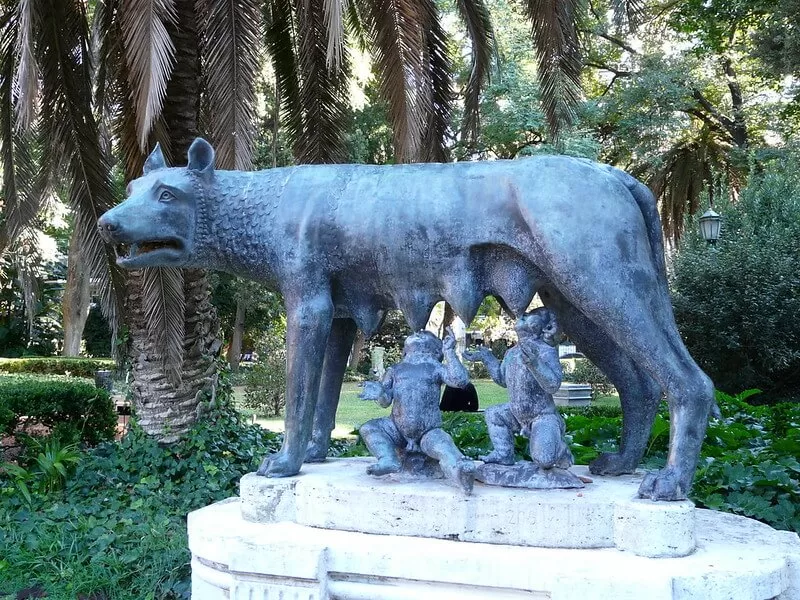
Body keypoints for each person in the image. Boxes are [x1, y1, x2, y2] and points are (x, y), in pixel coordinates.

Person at [359, 329, 476, 493]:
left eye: (426, 334)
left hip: (428, 432)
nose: (420, 332)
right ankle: (388, 459)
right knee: (369, 428)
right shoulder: (395, 369)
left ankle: (460, 472)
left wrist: (449, 351)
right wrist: (379, 393)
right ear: (405, 349)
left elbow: (460, 380)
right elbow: (385, 401)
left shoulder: (435, 367)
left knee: (444, 447)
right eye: (416, 334)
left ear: (436, 350)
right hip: (396, 429)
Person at [463, 308, 573, 470]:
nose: (524, 315)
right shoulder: (512, 352)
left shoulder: (546, 351)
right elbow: (502, 379)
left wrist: (535, 364)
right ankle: (504, 453)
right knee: (494, 413)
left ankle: (561, 449)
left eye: (530, 315)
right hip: (516, 414)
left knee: (544, 460)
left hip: (542, 416)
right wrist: (486, 357)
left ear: (544, 327)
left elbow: (553, 385)